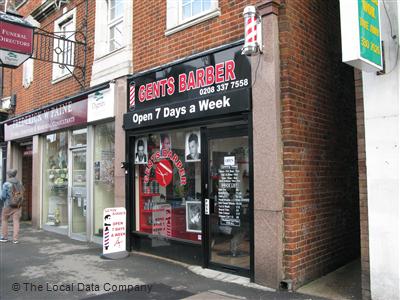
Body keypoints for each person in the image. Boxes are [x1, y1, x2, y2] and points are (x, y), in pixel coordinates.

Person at [0, 169, 24, 244]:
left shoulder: (6, 184)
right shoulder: (20, 183)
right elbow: (22, 192)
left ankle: (4, 237)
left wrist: (4, 200)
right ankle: (15, 239)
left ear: (9, 175)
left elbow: (2, 196)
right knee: (16, 221)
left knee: (4, 220)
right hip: (18, 205)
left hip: (8, 205)